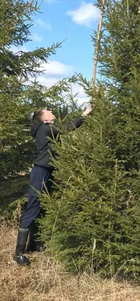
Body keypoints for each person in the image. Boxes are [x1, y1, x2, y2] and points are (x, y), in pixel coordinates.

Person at [14, 104, 93, 266]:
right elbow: (67, 128)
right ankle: (19, 253)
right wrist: (84, 114)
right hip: (40, 172)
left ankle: (34, 244)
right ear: (45, 118)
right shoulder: (45, 128)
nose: (51, 111)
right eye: (48, 111)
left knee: (42, 207)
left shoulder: (46, 128)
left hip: (47, 171)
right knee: (33, 208)